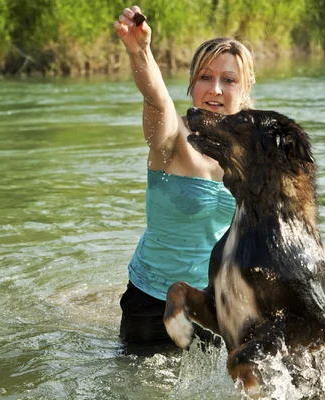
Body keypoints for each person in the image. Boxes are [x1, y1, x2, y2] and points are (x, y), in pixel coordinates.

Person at [113, 6, 256, 346]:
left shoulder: (253, 153)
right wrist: (140, 51)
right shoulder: (173, 139)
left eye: (229, 80)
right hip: (153, 304)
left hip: (219, 304)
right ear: (192, 85)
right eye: (205, 77)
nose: (216, 89)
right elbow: (156, 100)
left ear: (245, 89)